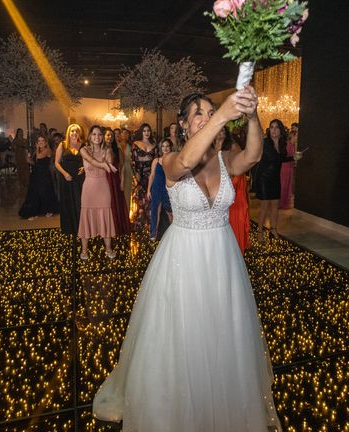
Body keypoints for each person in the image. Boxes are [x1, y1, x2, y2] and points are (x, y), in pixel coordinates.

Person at [93, 87, 281, 432]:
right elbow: (186, 163)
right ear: (182, 124)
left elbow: (253, 156)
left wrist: (252, 114)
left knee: (223, 332)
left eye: (211, 112)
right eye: (200, 113)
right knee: (182, 337)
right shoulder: (170, 160)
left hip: (223, 259)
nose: (208, 117)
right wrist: (223, 114)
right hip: (183, 261)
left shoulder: (225, 160)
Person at [78, 125, 118, 260]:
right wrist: (103, 164)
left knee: (105, 216)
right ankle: (84, 250)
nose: (97, 137)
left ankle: (108, 248)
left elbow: (110, 164)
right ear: (90, 136)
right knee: (86, 217)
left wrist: (106, 161)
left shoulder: (108, 150)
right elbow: (91, 161)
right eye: (94, 134)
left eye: (100, 134)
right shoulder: (84, 150)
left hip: (103, 187)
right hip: (88, 188)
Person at [253, 119, 293, 242]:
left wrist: (293, 157)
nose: (274, 130)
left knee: (275, 206)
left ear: (280, 130)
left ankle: (273, 229)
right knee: (264, 207)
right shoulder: (265, 143)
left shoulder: (282, 144)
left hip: (275, 178)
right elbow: (271, 159)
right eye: (272, 127)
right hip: (264, 178)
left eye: (276, 127)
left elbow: (280, 159)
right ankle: (259, 232)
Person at [215, 127, 250, 253]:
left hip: (233, 186)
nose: (222, 132)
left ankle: (235, 249)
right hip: (215, 187)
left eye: (224, 130)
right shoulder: (210, 146)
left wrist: (230, 183)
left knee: (234, 218)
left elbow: (242, 164)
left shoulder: (233, 146)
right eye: (219, 130)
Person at [18, 135, 59, 219]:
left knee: (45, 192)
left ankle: (50, 210)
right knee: (35, 193)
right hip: (36, 174)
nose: (40, 142)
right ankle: (37, 210)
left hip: (44, 175)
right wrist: (28, 158)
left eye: (42, 141)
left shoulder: (48, 150)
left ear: (45, 142)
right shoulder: (36, 151)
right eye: (39, 141)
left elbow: (39, 156)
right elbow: (34, 162)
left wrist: (36, 149)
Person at [55, 124, 85, 235]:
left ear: (79, 133)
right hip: (66, 178)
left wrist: (84, 167)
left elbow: (88, 160)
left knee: (79, 202)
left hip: (80, 178)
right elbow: (56, 162)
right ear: (68, 133)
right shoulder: (62, 145)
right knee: (68, 202)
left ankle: (81, 227)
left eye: (76, 131)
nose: (74, 133)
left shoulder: (83, 145)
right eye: (72, 131)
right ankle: (69, 228)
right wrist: (65, 174)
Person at [105, 128, 131, 236]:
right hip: (104, 178)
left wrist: (122, 180)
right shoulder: (99, 149)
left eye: (111, 135)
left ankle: (116, 226)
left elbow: (122, 166)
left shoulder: (117, 150)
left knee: (115, 201)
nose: (109, 137)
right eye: (107, 135)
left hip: (115, 178)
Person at [131, 123, 156, 232]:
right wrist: (136, 175)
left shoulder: (154, 145)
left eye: (148, 131)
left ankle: (150, 229)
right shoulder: (135, 144)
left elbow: (156, 162)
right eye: (144, 131)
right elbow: (132, 161)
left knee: (150, 203)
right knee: (140, 204)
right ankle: (139, 231)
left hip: (151, 177)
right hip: (139, 177)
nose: (146, 133)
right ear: (141, 132)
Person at [146, 138, 173, 240]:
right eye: (163, 146)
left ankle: (173, 234)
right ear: (161, 148)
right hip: (156, 187)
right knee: (155, 211)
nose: (165, 148)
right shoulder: (156, 160)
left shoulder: (173, 160)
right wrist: (148, 190)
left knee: (170, 212)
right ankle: (154, 233)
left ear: (170, 148)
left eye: (167, 146)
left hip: (168, 188)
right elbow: (152, 175)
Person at [279, 131, 297, 209]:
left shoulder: (292, 145)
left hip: (290, 167)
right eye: (296, 136)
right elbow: (284, 158)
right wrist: (294, 158)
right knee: (284, 186)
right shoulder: (288, 145)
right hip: (285, 168)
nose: (297, 138)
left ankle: (285, 204)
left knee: (288, 186)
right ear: (292, 136)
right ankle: (281, 204)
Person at [119, 129, 133, 218]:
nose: (125, 135)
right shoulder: (116, 145)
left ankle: (126, 216)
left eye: (127, 134)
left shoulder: (130, 146)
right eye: (123, 133)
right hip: (118, 170)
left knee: (127, 194)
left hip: (128, 170)